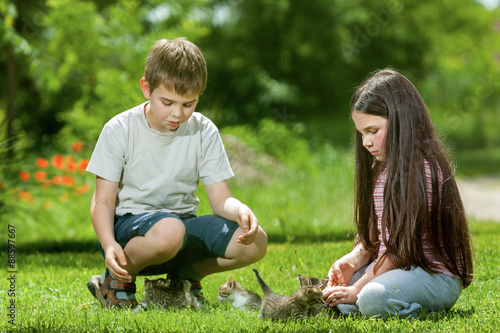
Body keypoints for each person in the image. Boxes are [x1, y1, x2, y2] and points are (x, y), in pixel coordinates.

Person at [85, 38, 268, 308]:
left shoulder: (204, 131)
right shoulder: (119, 129)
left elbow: (220, 199)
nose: (178, 114)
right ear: (146, 88)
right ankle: (116, 281)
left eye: (188, 104)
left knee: (256, 242)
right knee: (171, 229)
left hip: (181, 229)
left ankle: (183, 278)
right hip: (129, 231)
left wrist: (239, 209)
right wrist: (109, 243)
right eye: (167, 102)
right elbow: (102, 201)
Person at [322, 69, 473, 319]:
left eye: (372, 131)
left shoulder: (422, 170)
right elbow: (375, 238)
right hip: (399, 268)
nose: (365, 142)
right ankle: (380, 300)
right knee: (343, 301)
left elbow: (400, 251)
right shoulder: (380, 168)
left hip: (433, 276)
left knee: (369, 298)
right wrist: (351, 261)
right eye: (361, 134)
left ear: (401, 120)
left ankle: (424, 310)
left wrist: (359, 288)